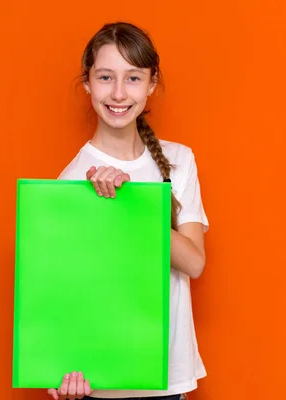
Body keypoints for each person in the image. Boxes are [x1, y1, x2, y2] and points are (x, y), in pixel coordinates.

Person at [47, 21, 210, 400]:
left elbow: (195, 262)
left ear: (152, 84)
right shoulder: (71, 182)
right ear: (87, 83)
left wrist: (132, 205)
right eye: (105, 77)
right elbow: (63, 292)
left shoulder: (178, 161)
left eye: (133, 78)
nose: (119, 93)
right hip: (99, 385)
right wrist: (55, 370)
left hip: (168, 382)